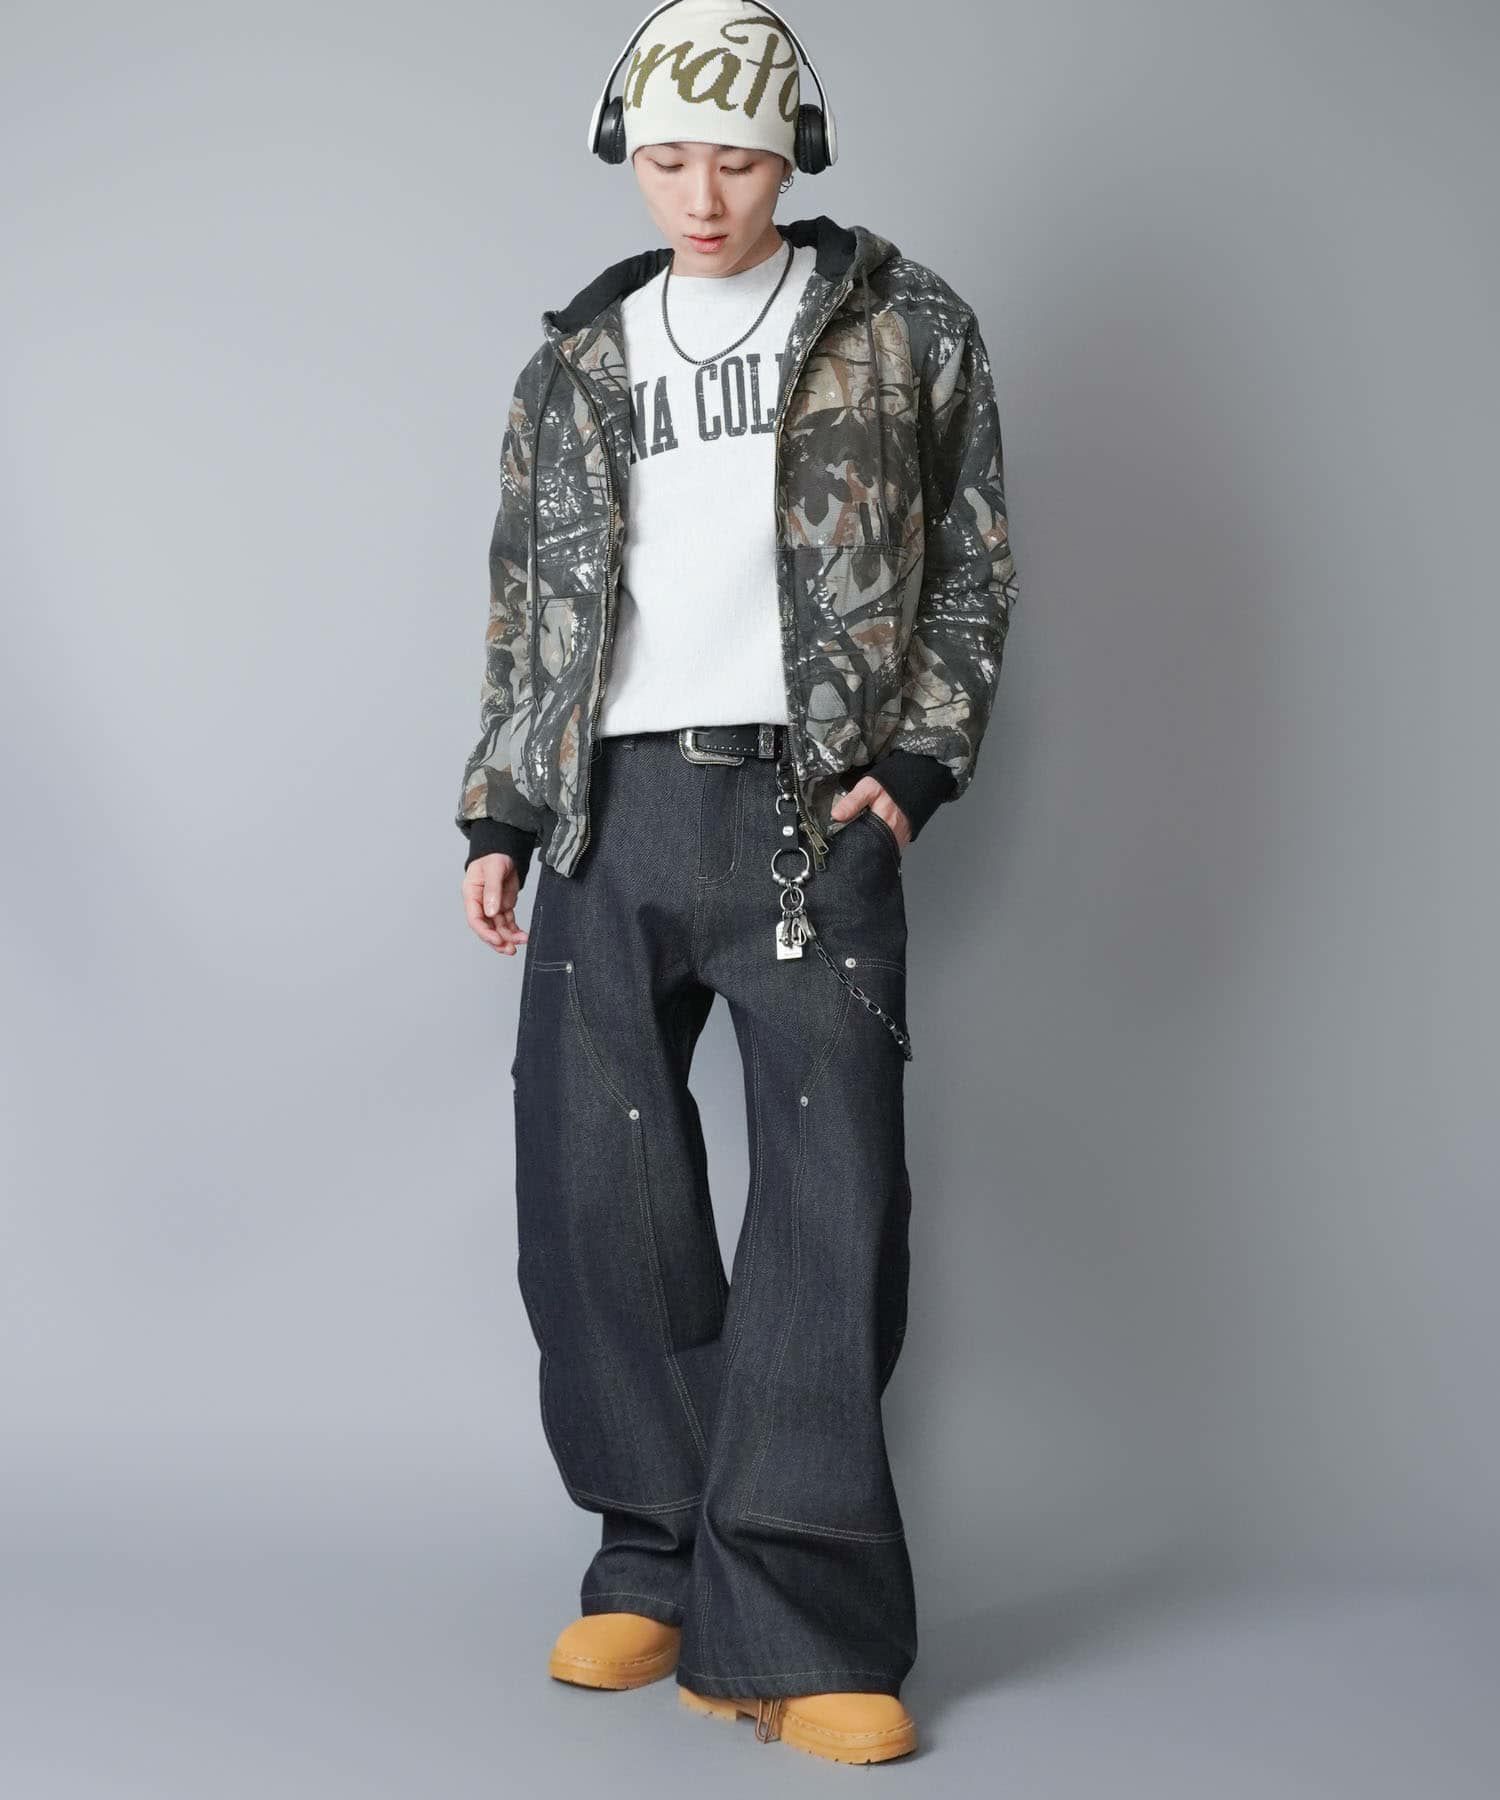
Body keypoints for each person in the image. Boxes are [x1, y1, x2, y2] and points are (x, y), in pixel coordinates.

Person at [455, 0, 1018, 1766]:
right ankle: (652, 1555)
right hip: (607, 810)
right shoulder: (576, 359)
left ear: (796, 156)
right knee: (595, 1200)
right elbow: (529, 605)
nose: (704, 197)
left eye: (741, 161)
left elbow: (975, 565)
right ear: (629, 150)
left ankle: (801, 1619)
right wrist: (501, 810)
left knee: (830, 1209)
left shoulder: (905, 327)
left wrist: (913, 774)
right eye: (672, 158)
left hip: (809, 807)